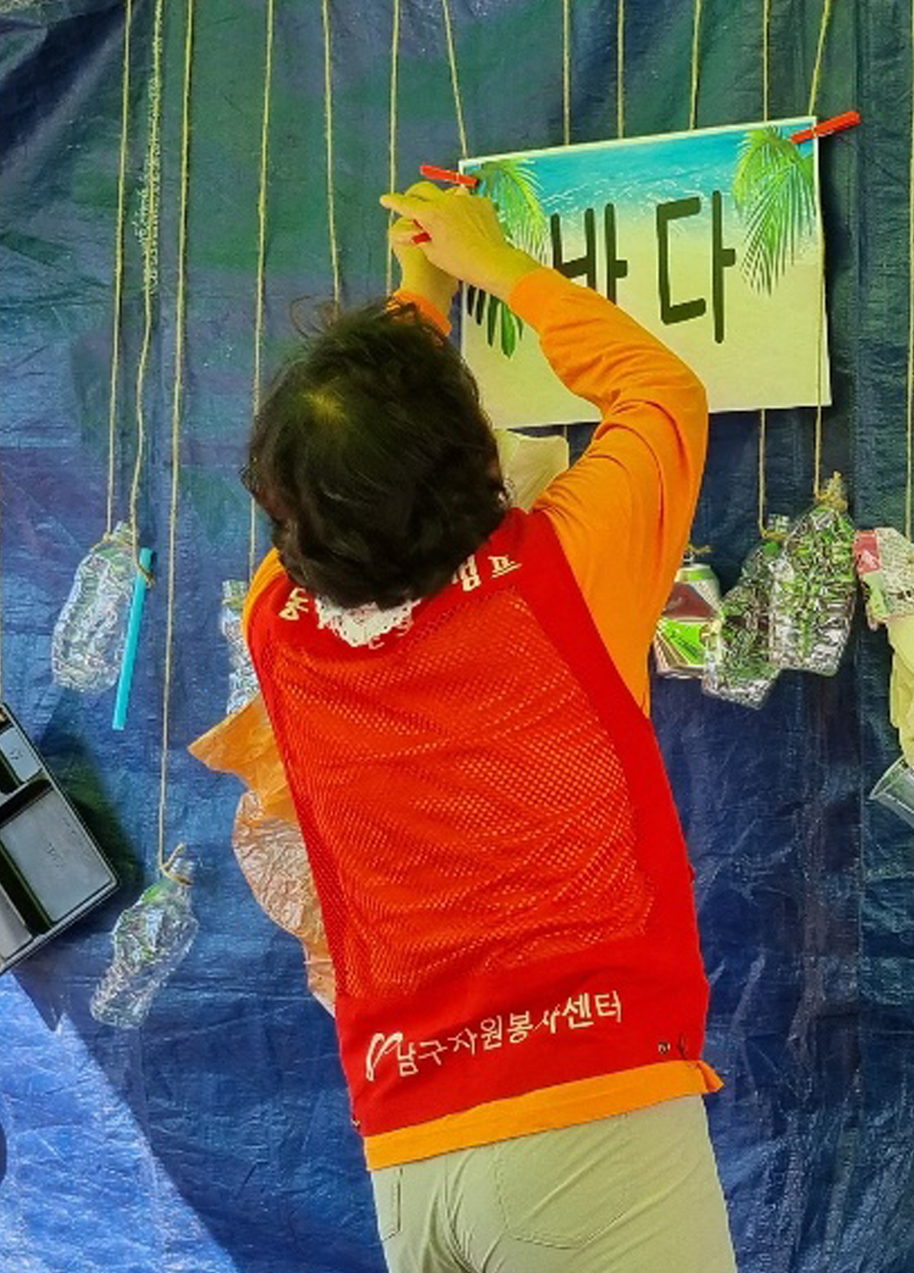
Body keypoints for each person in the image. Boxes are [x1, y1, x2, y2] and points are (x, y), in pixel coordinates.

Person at [234, 183, 734, 1273]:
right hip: (590, 1115)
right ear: (480, 457)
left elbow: (350, 481)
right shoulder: (560, 579)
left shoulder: (275, 624)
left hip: (409, 1149)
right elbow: (660, 389)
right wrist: (495, 265)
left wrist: (419, 291)